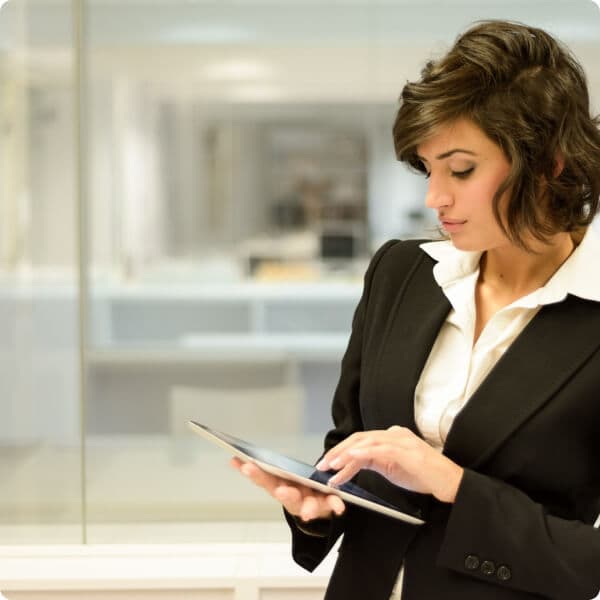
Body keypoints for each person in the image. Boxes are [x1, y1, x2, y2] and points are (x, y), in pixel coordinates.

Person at [232, 19, 600, 599]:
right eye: (428, 170)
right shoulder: (402, 273)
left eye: (461, 170)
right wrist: (319, 505)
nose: (435, 198)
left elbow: (589, 560)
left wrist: (454, 484)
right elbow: (350, 444)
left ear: (550, 163)